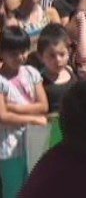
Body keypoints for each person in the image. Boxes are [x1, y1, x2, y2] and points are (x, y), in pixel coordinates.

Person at [0, 26, 49, 197]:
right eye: (13, 53)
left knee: (36, 188)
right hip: (9, 146)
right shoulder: (1, 81)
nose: (20, 57)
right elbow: (2, 116)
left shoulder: (31, 73)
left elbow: (43, 105)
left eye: (23, 51)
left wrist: (13, 107)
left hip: (34, 141)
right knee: (13, 191)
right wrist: (33, 119)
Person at [36, 24, 76, 113]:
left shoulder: (70, 71)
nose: (58, 60)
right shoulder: (40, 82)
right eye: (52, 56)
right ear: (41, 57)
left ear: (69, 52)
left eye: (62, 54)